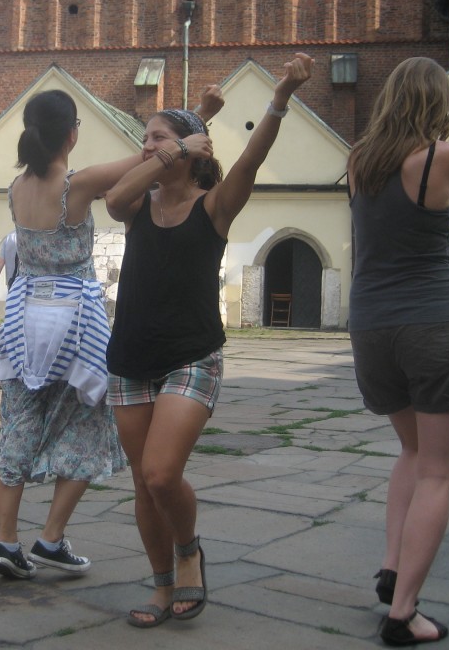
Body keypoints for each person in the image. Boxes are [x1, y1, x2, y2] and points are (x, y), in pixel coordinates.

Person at [103, 54, 311, 627]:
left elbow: (252, 157)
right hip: (129, 358)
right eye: (143, 138)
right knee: (143, 488)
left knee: (161, 473)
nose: (148, 146)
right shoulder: (137, 207)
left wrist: (281, 97)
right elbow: (114, 199)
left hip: (192, 355)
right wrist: (174, 144)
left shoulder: (213, 208)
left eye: (158, 138)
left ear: (191, 152)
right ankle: (161, 585)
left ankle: (189, 550)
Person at [0, 89, 203, 581]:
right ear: (72, 133)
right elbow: (152, 158)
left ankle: (6, 538)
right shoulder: (78, 183)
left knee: (17, 424)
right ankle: (51, 536)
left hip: (22, 317)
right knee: (89, 423)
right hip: (74, 320)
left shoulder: (16, 187)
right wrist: (195, 130)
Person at [346, 57, 449, 646]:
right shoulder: (441, 156)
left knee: (409, 450)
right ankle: (403, 614)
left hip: (371, 327)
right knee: (437, 472)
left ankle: (390, 570)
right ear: (439, 102)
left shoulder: (359, 162)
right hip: (432, 324)